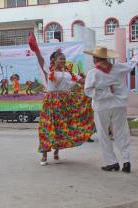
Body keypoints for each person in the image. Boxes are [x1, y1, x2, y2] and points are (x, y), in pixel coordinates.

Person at [29, 33, 94, 166]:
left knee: (61, 128)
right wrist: (36, 51)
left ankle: (57, 150)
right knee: (47, 127)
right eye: (61, 59)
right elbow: (41, 60)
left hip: (65, 103)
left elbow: (83, 82)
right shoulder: (49, 71)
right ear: (54, 61)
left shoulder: (70, 73)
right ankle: (44, 154)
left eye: (64, 59)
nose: (63, 61)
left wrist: (92, 77)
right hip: (51, 102)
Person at [84, 46, 138, 173]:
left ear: (95, 59)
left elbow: (88, 91)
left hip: (102, 106)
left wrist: (106, 93)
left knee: (104, 134)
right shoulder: (118, 68)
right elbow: (131, 64)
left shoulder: (93, 73)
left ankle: (112, 162)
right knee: (122, 133)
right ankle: (126, 161)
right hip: (119, 105)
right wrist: (136, 53)